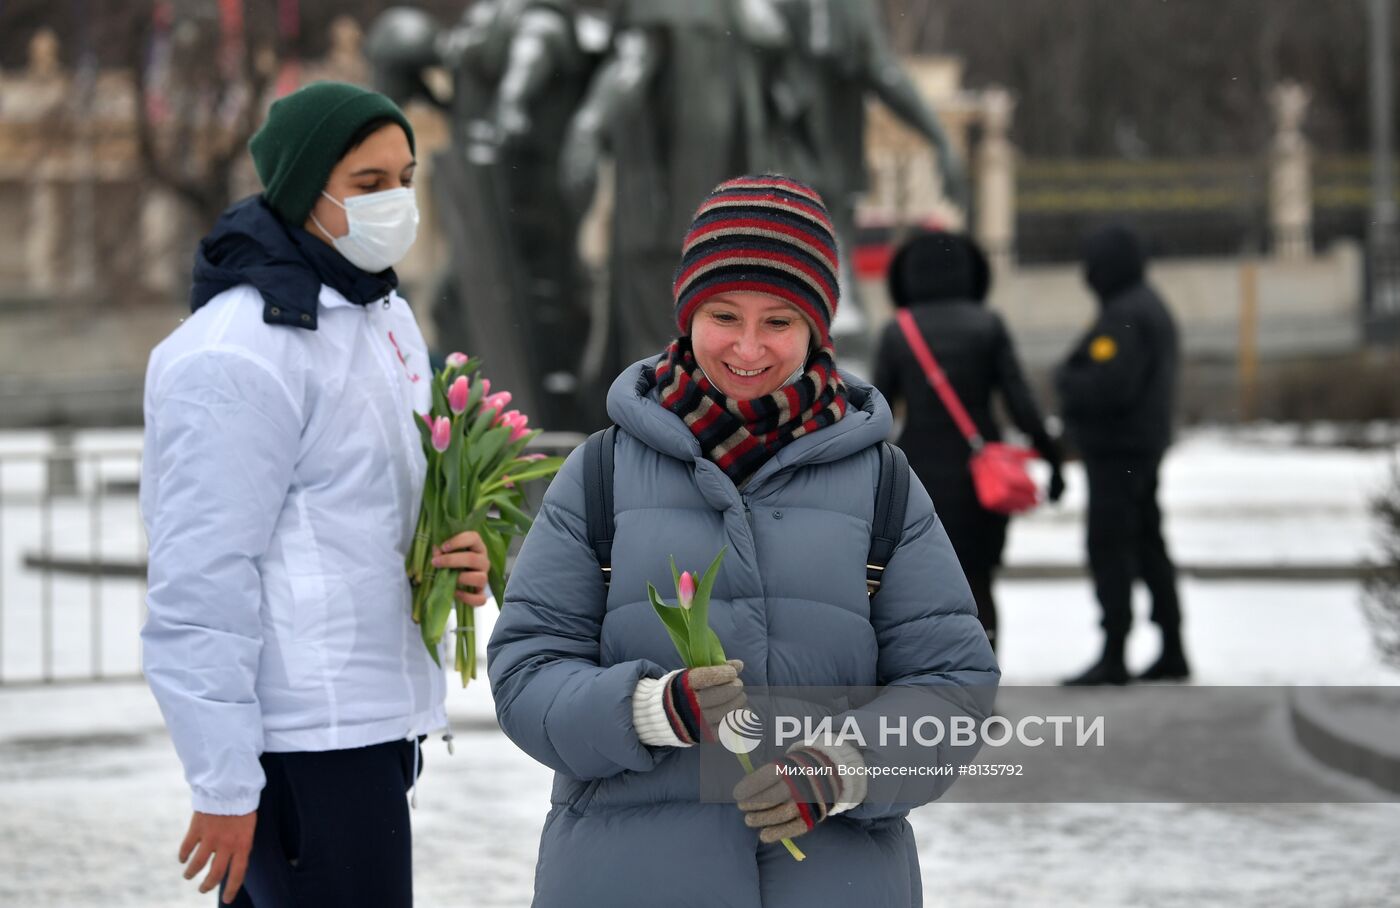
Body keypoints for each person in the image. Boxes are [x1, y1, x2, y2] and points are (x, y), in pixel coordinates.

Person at [488, 175, 998, 907]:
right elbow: (525, 670)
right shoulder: (601, 473)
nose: (750, 348)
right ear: (687, 315)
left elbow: (954, 687)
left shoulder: (882, 485)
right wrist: (647, 711)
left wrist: (842, 768)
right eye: (724, 315)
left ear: (817, 327)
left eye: (780, 321)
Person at [140, 82, 489, 906]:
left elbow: (371, 506)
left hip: (368, 727)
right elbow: (199, 583)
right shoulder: (239, 352)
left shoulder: (379, 314)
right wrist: (226, 785)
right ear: (304, 191)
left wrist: (452, 553)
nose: (397, 202)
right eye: (369, 184)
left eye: (405, 178)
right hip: (298, 750)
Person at [874, 231, 1065, 654]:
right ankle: (981, 685)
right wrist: (1052, 460)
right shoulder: (988, 325)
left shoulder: (898, 331)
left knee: (921, 585)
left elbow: (876, 413)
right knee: (978, 581)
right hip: (983, 481)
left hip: (917, 478)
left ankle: (933, 683)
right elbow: (1022, 403)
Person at [1055, 224, 1188, 686]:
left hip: (1120, 451)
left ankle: (1115, 653)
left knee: (1111, 547)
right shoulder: (1141, 304)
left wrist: (1066, 381)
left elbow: (1106, 384)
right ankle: (1172, 646)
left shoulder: (1125, 313)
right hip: (1137, 447)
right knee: (1148, 543)